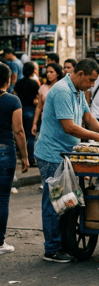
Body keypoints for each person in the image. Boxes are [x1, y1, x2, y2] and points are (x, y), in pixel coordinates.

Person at [34, 59, 99, 263]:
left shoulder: (78, 92)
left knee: (66, 201)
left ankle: (64, 243)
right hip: (52, 154)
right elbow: (70, 127)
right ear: (80, 74)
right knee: (54, 202)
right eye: (90, 80)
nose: (91, 84)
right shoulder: (63, 91)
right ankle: (51, 250)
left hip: (66, 154)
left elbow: (88, 118)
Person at [0, 63, 29, 255]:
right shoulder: (12, 101)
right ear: (9, 80)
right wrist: (25, 157)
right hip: (4, 150)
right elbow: (18, 131)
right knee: (2, 198)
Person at [13, 62, 40, 167]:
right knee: (31, 136)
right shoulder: (34, 83)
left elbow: (15, 95)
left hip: (20, 111)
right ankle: (30, 158)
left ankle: (20, 154)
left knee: (20, 134)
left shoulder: (19, 83)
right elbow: (37, 99)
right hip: (31, 111)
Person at [31, 63, 63, 136]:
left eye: (51, 72)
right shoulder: (43, 87)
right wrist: (34, 124)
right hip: (46, 122)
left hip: (60, 123)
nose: (48, 74)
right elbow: (39, 107)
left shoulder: (62, 88)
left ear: (57, 73)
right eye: (47, 72)